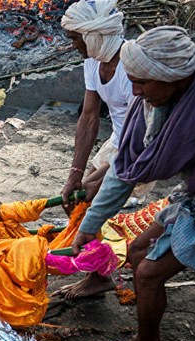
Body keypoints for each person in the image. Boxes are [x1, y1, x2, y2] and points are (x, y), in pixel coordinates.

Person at [71, 26, 195, 341]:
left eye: (142, 83)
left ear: (172, 76)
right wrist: (90, 224)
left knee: (148, 273)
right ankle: (148, 338)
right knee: (138, 250)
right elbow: (126, 168)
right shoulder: (158, 105)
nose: (137, 92)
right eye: (133, 81)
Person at [57, 0, 153, 299]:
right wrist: (75, 173)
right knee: (81, 196)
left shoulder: (132, 67)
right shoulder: (93, 60)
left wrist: (99, 179)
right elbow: (88, 116)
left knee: (90, 202)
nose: (74, 46)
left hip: (146, 146)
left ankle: (100, 275)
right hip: (120, 143)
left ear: (95, 35)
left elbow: (142, 137)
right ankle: (98, 272)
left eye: (76, 38)